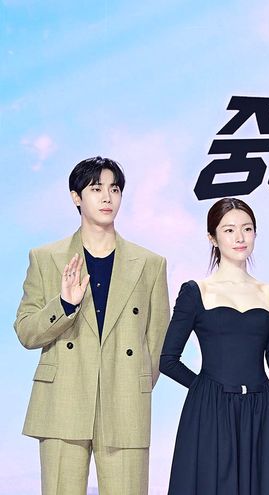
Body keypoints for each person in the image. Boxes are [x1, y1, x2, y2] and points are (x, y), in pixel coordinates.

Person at [14, 156, 170, 495]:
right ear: (76, 197)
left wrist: (134, 383)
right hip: (62, 398)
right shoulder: (46, 257)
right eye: (96, 189)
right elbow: (26, 331)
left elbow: (157, 341)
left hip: (125, 401)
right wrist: (64, 304)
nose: (107, 197)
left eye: (114, 189)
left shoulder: (150, 264)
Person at [160, 197, 269, 495]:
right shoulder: (196, 291)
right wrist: (205, 389)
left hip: (260, 409)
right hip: (211, 413)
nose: (240, 237)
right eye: (229, 230)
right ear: (212, 238)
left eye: (247, 229)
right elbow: (167, 360)